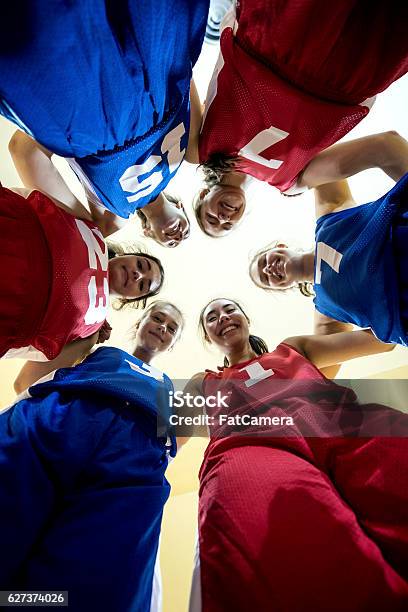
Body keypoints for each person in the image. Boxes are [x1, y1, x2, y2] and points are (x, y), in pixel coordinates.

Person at [181, 298, 408, 611]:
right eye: (211, 317)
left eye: (229, 309)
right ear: (208, 337)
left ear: (246, 318)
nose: (222, 318)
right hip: (253, 449)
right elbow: (169, 429)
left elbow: (382, 343)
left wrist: (336, 286)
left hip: (342, 427)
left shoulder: (293, 349)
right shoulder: (204, 382)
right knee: (291, 551)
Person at [192, 0, 408, 235]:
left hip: (276, 38)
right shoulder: (291, 183)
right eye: (228, 226)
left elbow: (179, 75)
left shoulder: (199, 150)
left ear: (203, 195)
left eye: (211, 219)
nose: (223, 218)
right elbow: (382, 149)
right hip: (353, 73)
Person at [0, 0, 210, 241]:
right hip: (159, 67)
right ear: (182, 207)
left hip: (100, 111)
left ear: (147, 232)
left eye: (170, 244)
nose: (177, 237)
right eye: (185, 236)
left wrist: (61, 130)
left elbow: (25, 153)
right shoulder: (189, 153)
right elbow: (187, 79)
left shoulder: (112, 217)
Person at [0, 344, 178, 612]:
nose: (163, 327)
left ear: (172, 344)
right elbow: (24, 381)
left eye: (171, 327)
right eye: (158, 317)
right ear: (139, 323)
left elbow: (173, 438)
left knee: (81, 590)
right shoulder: (101, 349)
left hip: (135, 452)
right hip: (64, 414)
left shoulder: (169, 385)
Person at [1, 130, 164, 368]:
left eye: (143, 285)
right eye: (141, 265)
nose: (138, 274)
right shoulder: (90, 229)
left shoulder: (89, 333)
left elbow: (28, 383)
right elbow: (26, 152)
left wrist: (89, 342)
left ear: (132, 300)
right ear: (127, 254)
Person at [250, 131, 408, 347]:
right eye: (266, 278)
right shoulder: (326, 311)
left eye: (263, 262)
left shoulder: (329, 216)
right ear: (283, 287)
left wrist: (290, 176)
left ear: (281, 246)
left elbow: (313, 145)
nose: (268, 269)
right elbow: (318, 367)